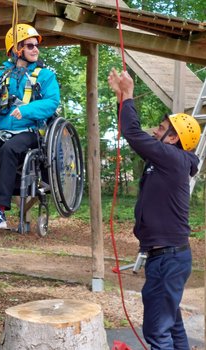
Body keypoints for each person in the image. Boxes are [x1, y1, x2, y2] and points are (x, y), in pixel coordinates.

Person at [108, 68, 201, 350]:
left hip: (168, 259)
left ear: (173, 139)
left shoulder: (171, 158)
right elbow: (132, 133)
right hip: (169, 257)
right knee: (171, 324)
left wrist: (130, 95)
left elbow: (133, 133)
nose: (155, 131)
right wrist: (122, 99)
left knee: (158, 332)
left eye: (161, 129)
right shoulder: (169, 159)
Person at [0, 24, 60, 230]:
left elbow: (52, 102)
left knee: (9, 150)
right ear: (17, 50)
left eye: (36, 46)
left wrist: (26, 111)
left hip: (30, 131)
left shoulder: (45, 76)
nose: (36, 49)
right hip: (1, 130)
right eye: (30, 45)